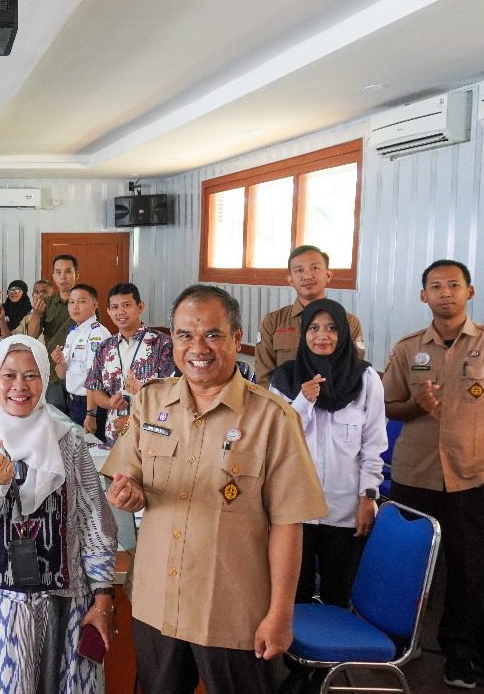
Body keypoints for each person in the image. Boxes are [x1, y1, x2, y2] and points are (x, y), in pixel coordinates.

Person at [101, 285, 327, 694]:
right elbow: (127, 477)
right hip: (157, 601)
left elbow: (288, 525)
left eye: (213, 335)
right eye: (185, 335)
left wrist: (280, 614)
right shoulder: (150, 402)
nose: (198, 348)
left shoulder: (273, 419)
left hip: (230, 609)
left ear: (237, 339)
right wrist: (128, 493)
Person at [382, 259, 484, 689]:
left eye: (453, 284)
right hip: (414, 476)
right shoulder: (409, 348)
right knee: (406, 565)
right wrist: (416, 406)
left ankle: (459, 654)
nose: (444, 292)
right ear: (423, 296)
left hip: (473, 478)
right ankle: (398, 641)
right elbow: (389, 406)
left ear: (470, 291)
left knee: (468, 572)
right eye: (435, 286)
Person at [0, 334, 118, 694]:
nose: (19, 386)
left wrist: (102, 595)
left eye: (31, 375)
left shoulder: (68, 439)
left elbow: (93, 520)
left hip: (65, 598)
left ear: (45, 379)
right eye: (9, 375)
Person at [269, 300, 386, 608]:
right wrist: (302, 402)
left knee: (340, 594)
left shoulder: (365, 378)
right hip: (296, 508)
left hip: (345, 507)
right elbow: (275, 438)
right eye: (314, 328)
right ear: (303, 333)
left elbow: (374, 443)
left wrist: (368, 497)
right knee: (294, 596)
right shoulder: (285, 379)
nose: (323, 335)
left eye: (332, 328)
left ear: (344, 333)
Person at [255, 245, 365, 383]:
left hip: (335, 396)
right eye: (299, 270)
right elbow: (264, 377)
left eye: (315, 268)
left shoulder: (349, 322)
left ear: (328, 275)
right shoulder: (272, 322)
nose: (307, 276)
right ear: (290, 280)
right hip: (283, 396)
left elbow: (354, 373)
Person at [85, 283, 175, 446]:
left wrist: (140, 396)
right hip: (114, 435)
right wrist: (109, 403)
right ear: (108, 311)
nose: (120, 312)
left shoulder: (162, 343)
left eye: (126, 305)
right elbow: (95, 388)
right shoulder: (105, 347)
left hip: (150, 435)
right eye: (115, 307)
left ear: (140, 307)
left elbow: (172, 393)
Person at [52, 283, 110, 436]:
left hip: (90, 405)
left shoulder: (97, 334)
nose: (75, 306)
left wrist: (91, 413)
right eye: (71, 302)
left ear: (94, 305)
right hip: (73, 401)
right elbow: (61, 375)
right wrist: (59, 362)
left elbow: (94, 377)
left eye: (82, 301)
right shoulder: (73, 333)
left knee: (93, 447)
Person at [27, 255, 78, 413]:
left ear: (76, 275)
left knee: (79, 420)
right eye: (58, 272)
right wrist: (36, 314)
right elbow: (32, 336)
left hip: (79, 373)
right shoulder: (47, 303)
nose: (63, 277)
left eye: (68, 271)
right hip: (54, 373)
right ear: (54, 276)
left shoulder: (86, 302)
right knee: (56, 416)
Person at [13, 279, 52, 344]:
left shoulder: (57, 313)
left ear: (52, 296)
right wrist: (2, 319)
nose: (39, 296)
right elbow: (12, 337)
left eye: (43, 292)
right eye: (36, 292)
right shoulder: (28, 317)